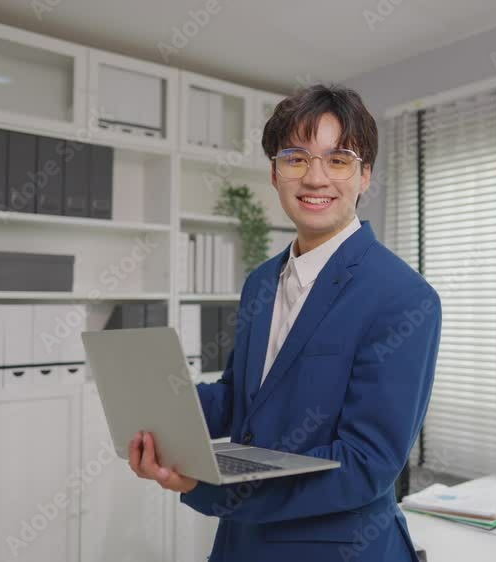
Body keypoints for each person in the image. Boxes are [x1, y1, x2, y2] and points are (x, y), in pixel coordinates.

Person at [127, 84, 442, 562]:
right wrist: (161, 410)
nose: (315, 178)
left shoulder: (402, 297)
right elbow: (241, 400)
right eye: (295, 158)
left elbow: (365, 466)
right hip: (242, 544)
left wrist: (207, 487)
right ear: (275, 174)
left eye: (338, 160)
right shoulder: (261, 281)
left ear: (365, 176)